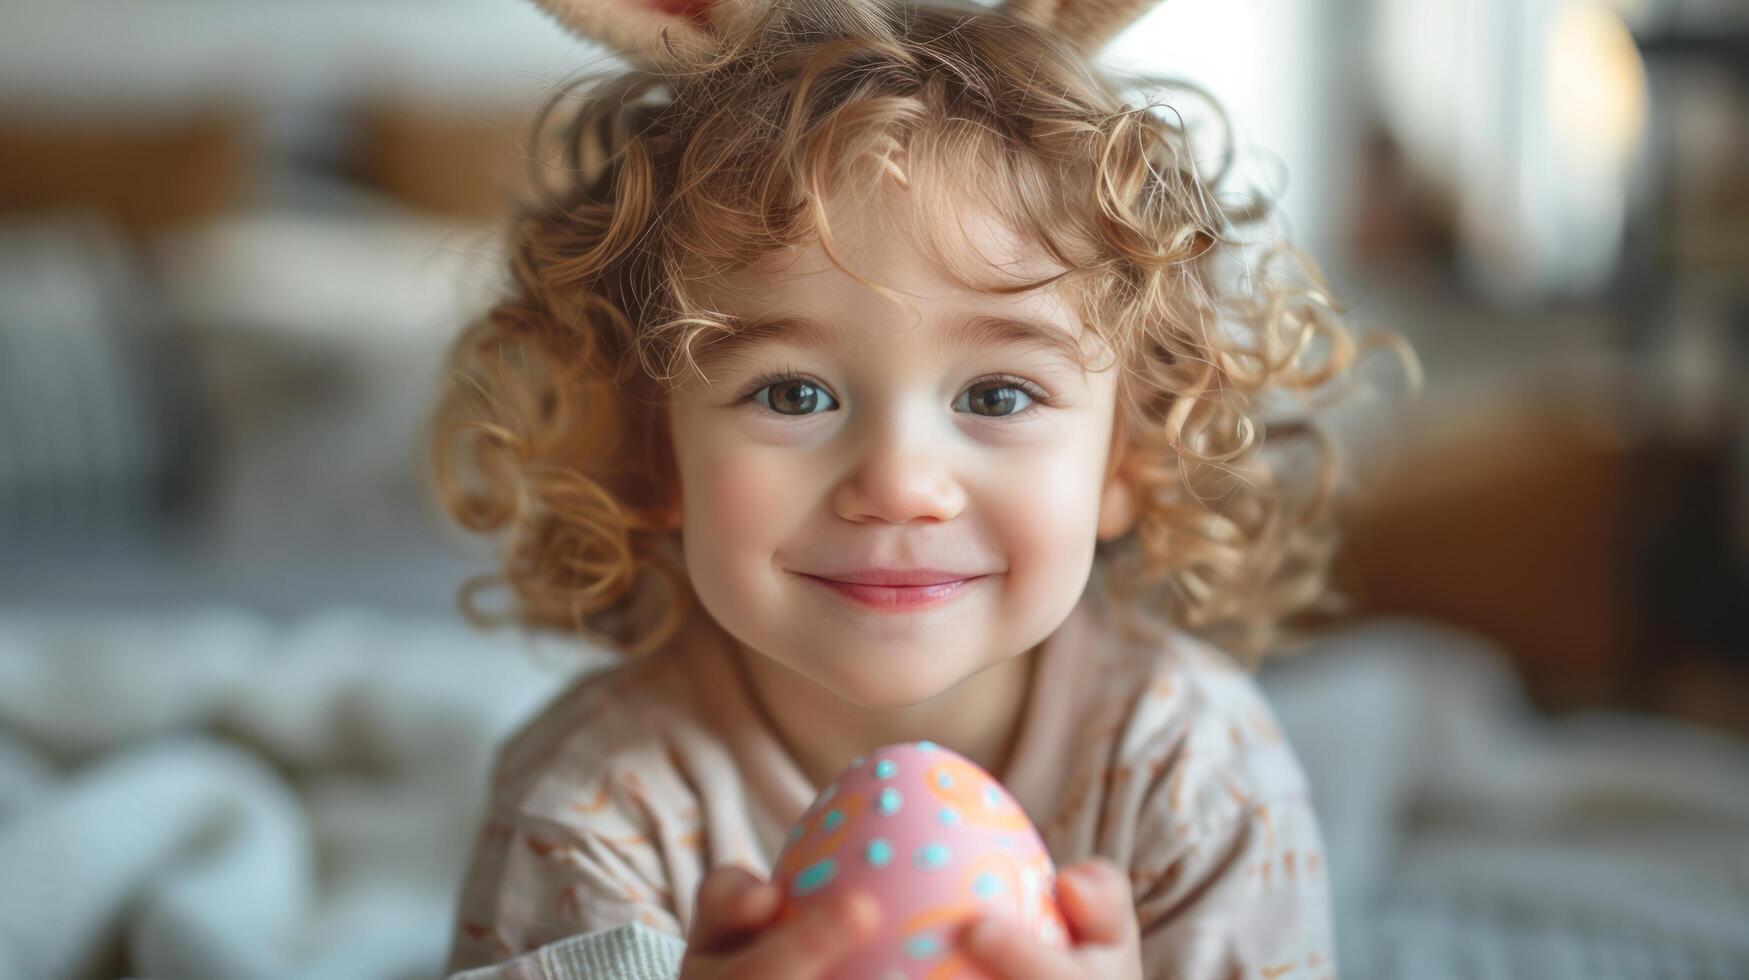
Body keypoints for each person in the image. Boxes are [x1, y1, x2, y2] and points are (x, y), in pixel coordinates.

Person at [433, 0, 1411, 975]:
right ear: (652, 452)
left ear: (1131, 456)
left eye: (997, 392)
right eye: (792, 391)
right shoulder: (591, 803)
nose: (899, 484)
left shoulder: (1197, 771)